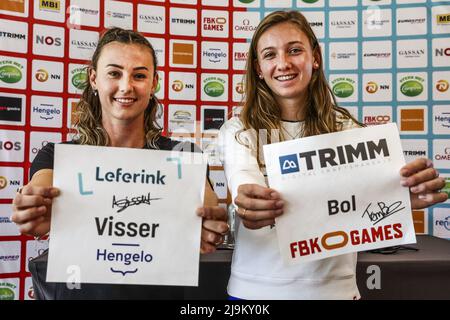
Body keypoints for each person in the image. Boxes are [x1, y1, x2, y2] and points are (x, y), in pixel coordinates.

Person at [218, 11, 448, 300]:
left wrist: (401, 196)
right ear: (258, 69)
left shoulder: (349, 129)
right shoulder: (237, 130)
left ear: (315, 58)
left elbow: (372, 202)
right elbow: (243, 179)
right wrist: (250, 202)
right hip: (253, 293)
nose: (283, 63)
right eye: (270, 55)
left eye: (294, 50)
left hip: (335, 292)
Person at [11, 28, 228, 299]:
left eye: (139, 75)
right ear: (93, 78)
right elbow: (39, 189)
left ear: (154, 83)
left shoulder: (183, 155)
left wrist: (208, 221)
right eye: (114, 73)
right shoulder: (58, 156)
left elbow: (206, 206)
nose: (126, 86)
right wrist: (32, 206)